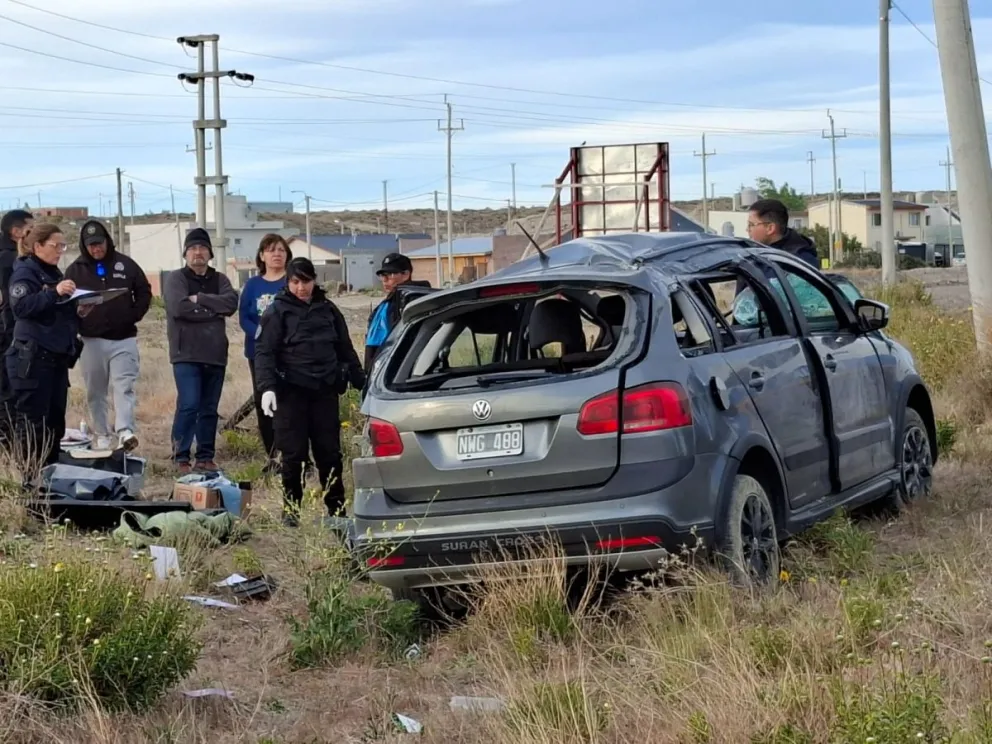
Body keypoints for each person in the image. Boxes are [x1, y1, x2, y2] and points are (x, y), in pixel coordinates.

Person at [254, 257, 365, 526]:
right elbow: (264, 353)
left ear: (314, 280)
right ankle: (291, 511)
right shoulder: (276, 312)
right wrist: (267, 388)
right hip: (290, 393)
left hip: (324, 391)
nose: (301, 287)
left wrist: (362, 382)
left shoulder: (328, 310)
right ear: (288, 282)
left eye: (306, 281)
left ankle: (336, 511)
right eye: (295, 281)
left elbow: (345, 348)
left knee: (330, 454)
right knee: (293, 456)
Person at [5, 223, 89, 468]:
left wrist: (79, 309)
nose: (61, 251)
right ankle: (31, 477)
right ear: (38, 246)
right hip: (32, 359)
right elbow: (21, 307)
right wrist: (54, 292)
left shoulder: (54, 273)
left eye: (64, 245)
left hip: (56, 358)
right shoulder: (24, 272)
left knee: (55, 423)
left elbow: (55, 312)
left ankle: (52, 475)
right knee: (34, 424)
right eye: (56, 245)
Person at [64, 219, 152, 452]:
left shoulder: (126, 264)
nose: (96, 249)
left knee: (124, 386)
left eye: (100, 243)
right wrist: (78, 316)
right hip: (91, 340)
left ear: (107, 241)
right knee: (96, 391)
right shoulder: (75, 269)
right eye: (91, 245)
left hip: (123, 339)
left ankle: (125, 431)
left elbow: (144, 291)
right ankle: (102, 433)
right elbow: (66, 303)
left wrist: (132, 315)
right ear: (84, 246)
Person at [163, 228, 238, 474]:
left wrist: (200, 299)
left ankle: (205, 457)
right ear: (186, 253)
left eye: (202, 248)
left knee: (209, 408)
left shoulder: (221, 279)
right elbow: (178, 308)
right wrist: (211, 310)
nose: (198, 252)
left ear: (210, 253)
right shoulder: (176, 278)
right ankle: (180, 455)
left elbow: (230, 303)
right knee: (189, 403)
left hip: (215, 354)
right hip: (186, 354)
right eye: (193, 248)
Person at [237, 234, 291, 470]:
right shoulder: (253, 285)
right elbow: (244, 317)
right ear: (262, 256)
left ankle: (293, 454)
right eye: (271, 250)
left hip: (289, 353)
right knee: (264, 403)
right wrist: (261, 335)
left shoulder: (292, 282)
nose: (276, 254)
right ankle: (272, 456)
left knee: (290, 403)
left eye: (281, 249)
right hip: (258, 353)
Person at [364, 252, 431, 371]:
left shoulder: (415, 302)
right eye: (382, 275)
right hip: (383, 371)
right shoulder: (386, 305)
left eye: (390, 274)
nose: (384, 279)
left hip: (406, 372)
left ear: (406, 274)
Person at [0, 209, 33, 438]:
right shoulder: (10, 260)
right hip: (9, 334)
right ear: (16, 232)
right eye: (31, 229)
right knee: (10, 394)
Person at [745, 199, 819, 268]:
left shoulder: (799, 262)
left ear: (770, 228)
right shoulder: (754, 253)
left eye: (751, 225)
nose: (747, 230)